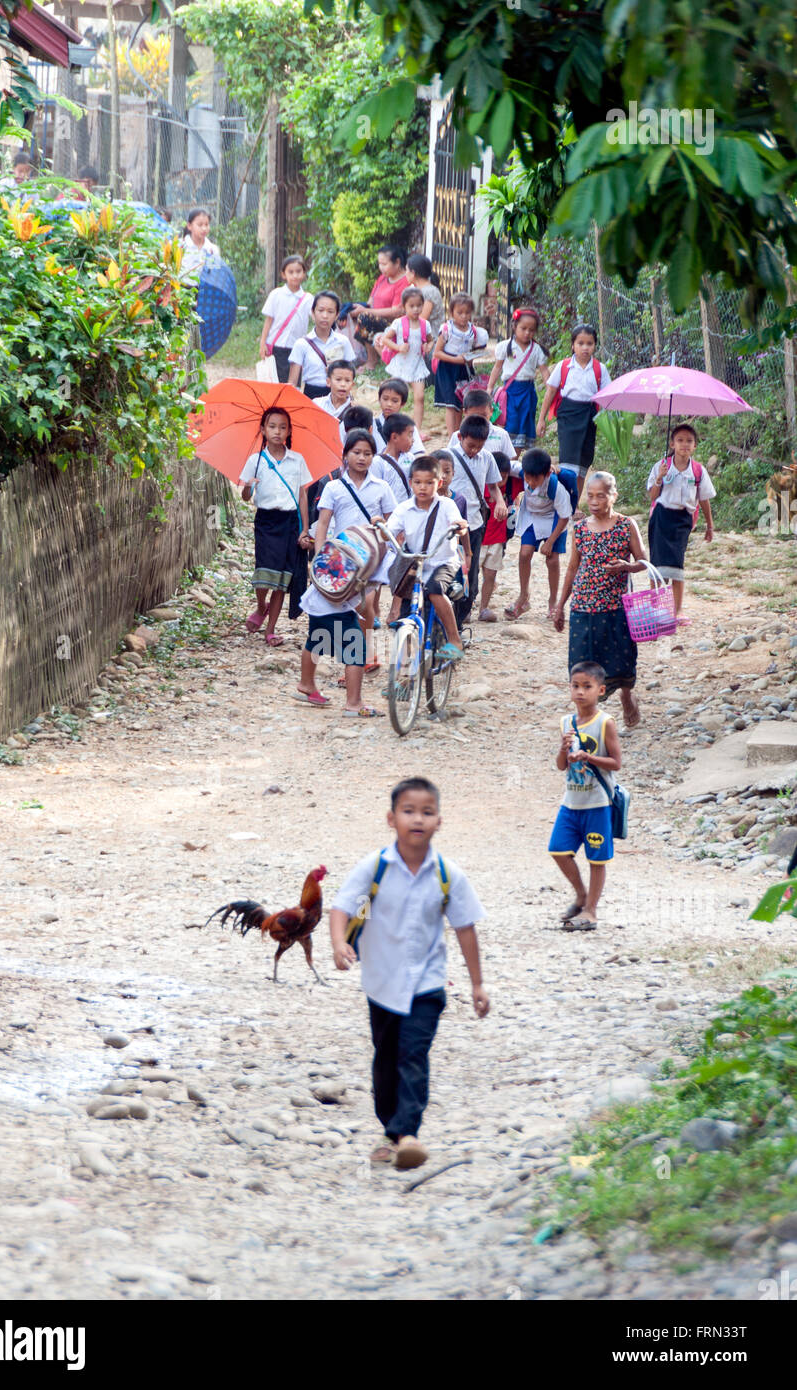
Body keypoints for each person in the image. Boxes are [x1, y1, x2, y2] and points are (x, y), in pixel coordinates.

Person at [329, 777, 489, 1169]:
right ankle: (390, 1130)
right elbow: (342, 908)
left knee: (413, 1053)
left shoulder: (447, 874)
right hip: (381, 983)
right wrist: (338, 943)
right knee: (385, 1058)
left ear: (439, 821)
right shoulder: (375, 868)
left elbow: (465, 927)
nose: (418, 818)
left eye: (427, 812)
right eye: (408, 811)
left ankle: (409, 1133)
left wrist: (477, 984)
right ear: (391, 819)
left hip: (427, 983)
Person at [297, 429, 396, 710]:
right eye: (356, 452)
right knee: (356, 646)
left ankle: (307, 684)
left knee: (317, 635)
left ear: (373, 457)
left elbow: (393, 526)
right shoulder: (333, 487)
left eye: (367, 453)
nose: (362, 458)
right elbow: (324, 524)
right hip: (338, 562)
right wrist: (319, 557)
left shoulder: (381, 488)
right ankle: (353, 703)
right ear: (345, 455)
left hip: (367, 565)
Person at [553, 471, 647, 729]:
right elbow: (572, 568)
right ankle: (586, 720)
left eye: (600, 496)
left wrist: (626, 567)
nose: (593, 501)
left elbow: (644, 562)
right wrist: (560, 606)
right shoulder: (581, 528)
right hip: (583, 607)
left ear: (613, 496)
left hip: (615, 607)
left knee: (623, 661)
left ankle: (627, 697)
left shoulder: (626, 525)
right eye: (590, 496)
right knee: (580, 665)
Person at [548, 661, 623, 931]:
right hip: (572, 801)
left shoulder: (605, 723)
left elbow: (616, 763)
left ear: (600, 690)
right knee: (558, 850)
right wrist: (563, 749)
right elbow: (561, 765)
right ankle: (580, 894)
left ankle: (591, 910)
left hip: (597, 803)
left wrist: (587, 756)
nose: (580, 692)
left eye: (587, 687)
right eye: (575, 686)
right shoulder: (566, 722)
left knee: (597, 858)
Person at [239, 407, 311, 645]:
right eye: (272, 426)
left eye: (282, 427)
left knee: (282, 577)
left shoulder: (297, 460)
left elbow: (302, 496)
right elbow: (245, 497)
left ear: (289, 431)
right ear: (262, 430)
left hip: (289, 523)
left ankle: (270, 629)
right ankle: (262, 606)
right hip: (266, 522)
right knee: (263, 573)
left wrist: (305, 529)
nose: (277, 431)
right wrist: (249, 486)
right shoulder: (255, 460)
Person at [385, 456, 468, 661]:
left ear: (439, 483)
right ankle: (403, 679)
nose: (423, 487)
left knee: (434, 590)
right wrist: (380, 529)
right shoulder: (403, 508)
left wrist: (460, 526)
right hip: (415, 563)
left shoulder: (447, 505)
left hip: (443, 561)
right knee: (406, 612)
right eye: (418, 482)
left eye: (429, 482)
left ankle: (454, 638)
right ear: (411, 482)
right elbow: (389, 530)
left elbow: (459, 524)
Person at [646, 422, 715, 626]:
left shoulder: (697, 471)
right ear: (672, 443)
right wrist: (660, 477)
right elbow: (652, 495)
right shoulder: (662, 465)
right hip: (660, 518)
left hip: (682, 520)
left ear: (695, 446)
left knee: (677, 564)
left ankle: (677, 610)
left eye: (689, 441)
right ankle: (655, 607)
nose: (684, 444)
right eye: (680, 440)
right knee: (657, 563)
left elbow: (704, 499)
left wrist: (710, 525)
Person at [537, 323, 611, 500]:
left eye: (590, 343)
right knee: (568, 461)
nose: (585, 348)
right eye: (580, 343)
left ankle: (575, 501)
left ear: (595, 345)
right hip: (568, 415)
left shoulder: (599, 369)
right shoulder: (564, 367)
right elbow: (550, 392)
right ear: (573, 345)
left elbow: (607, 396)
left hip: (589, 416)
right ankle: (565, 501)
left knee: (583, 461)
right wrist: (541, 420)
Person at [448, 416, 507, 629]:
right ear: (460, 437)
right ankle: (449, 620)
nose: (474, 450)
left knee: (470, 576)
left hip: (473, 524)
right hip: (448, 526)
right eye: (471, 445)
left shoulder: (487, 458)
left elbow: (493, 487)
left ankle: (461, 617)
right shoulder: (448, 456)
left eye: (479, 446)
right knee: (448, 572)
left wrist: (499, 501)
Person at [505, 448, 573, 621]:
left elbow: (565, 517)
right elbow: (504, 464)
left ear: (547, 473)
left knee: (552, 560)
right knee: (524, 553)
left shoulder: (555, 486)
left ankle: (552, 601)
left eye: (536, 478)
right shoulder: (521, 470)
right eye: (527, 477)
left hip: (554, 520)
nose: (530, 482)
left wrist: (550, 542)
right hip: (532, 517)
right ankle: (523, 596)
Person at [487, 307, 549, 453]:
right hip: (510, 393)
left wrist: (551, 387)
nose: (527, 333)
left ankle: (514, 457)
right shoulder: (505, 347)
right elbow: (497, 367)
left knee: (523, 424)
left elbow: (544, 370)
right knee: (510, 423)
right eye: (523, 328)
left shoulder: (536, 350)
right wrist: (490, 387)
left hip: (528, 393)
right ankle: (506, 456)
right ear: (514, 326)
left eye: (531, 330)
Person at [376, 288, 433, 430]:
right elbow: (385, 339)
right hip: (401, 365)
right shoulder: (398, 323)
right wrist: (398, 347)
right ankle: (391, 424)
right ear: (404, 306)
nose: (416, 309)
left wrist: (428, 346)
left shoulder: (425, 324)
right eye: (411, 306)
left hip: (417, 365)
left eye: (419, 305)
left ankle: (416, 429)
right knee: (394, 396)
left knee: (419, 397)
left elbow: (431, 340)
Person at [433, 295, 490, 437]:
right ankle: (452, 436)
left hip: (465, 369)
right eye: (460, 313)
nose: (464, 316)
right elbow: (437, 353)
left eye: (467, 313)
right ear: (452, 312)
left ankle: (458, 433)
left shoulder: (474, 332)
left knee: (460, 403)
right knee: (451, 404)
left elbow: (475, 350)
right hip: (447, 369)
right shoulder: (447, 330)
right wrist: (456, 359)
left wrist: (472, 357)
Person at [346, 245, 408, 368]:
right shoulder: (382, 279)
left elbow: (397, 311)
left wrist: (367, 311)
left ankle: (372, 360)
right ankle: (355, 355)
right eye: (379, 264)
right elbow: (370, 301)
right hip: (377, 318)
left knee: (365, 318)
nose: (381, 268)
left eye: (384, 264)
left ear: (397, 262)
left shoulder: (404, 281)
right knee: (347, 313)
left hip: (395, 325)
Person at [288, 291, 355, 397]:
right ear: (313, 313)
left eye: (330, 311)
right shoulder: (301, 344)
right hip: (311, 396)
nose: (325, 316)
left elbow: (350, 373)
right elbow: (292, 382)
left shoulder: (343, 341)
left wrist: (336, 370)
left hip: (337, 396)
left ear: (337, 315)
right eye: (321, 310)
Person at [259, 255, 312, 383]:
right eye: (291, 272)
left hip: (297, 347)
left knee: (294, 385)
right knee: (276, 383)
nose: (295, 275)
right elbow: (269, 320)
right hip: (277, 346)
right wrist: (263, 343)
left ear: (304, 273)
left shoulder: (308, 299)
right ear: (283, 274)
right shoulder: (276, 294)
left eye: (298, 271)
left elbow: (316, 317)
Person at [478, 452, 512, 623]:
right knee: (469, 576)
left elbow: (525, 470)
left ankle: (483, 608)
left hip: (497, 540)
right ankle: (465, 607)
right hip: (479, 539)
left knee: (490, 575)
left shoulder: (512, 485)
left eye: (503, 477)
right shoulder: (482, 487)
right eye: (497, 478)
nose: (499, 482)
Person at [449, 388, 516, 462]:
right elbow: (450, 459)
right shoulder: (458, 436)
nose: (479, 420)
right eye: (473, 416)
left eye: (483, 415)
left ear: (491, 411)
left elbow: (509, 461)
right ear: (465, 412)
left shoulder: (501, 435)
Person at [372, 413, 416, 505]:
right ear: (394, 437)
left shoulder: (410, 458)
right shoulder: (378, 462)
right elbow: (375, 492)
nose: (413, 439)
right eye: (410, 435)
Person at [374, 380, 426, 456]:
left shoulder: (408, 427)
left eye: (395, 401)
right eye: (385, 399)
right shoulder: (372, 425)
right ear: (379, 399)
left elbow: (418, 452)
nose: (389, 404)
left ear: (402, 403)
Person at [179, 207, 221, 284]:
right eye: (200, 225)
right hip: (181, 291)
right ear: (189, 226)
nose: (204, 228)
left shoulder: (212, 250)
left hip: (204, 292)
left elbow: (214, 275)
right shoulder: (180, 246)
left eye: (207, 224)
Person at [314, 361, 356, 429]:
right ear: (328, 382)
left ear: (352, 385)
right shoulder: (317, 404)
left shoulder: (355, 411)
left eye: (347, 380)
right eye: (338, 379)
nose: (343, 384)